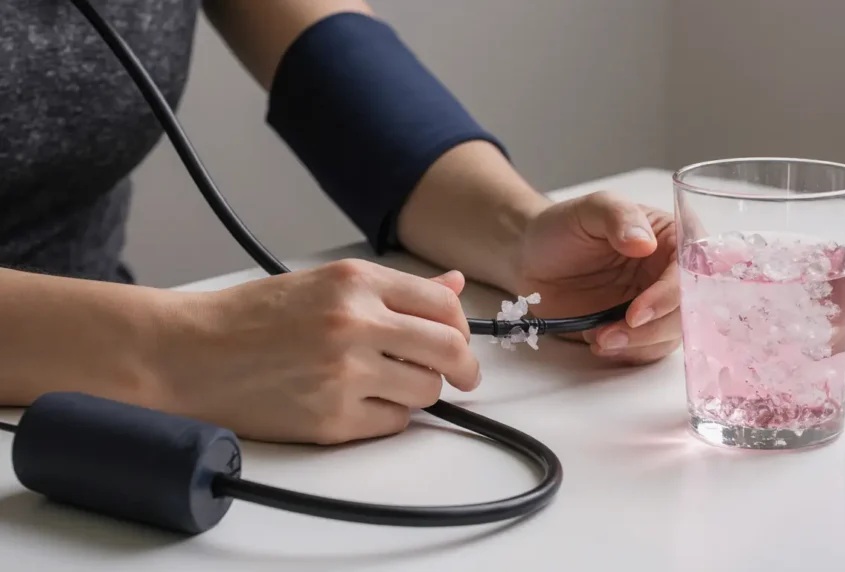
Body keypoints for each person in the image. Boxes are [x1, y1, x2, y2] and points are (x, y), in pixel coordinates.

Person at [0, 0, 684, 444]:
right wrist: (177, 350)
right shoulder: (173, 353)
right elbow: (181, 351)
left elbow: (325, 49)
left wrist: (520, 233)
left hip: (83, 422)